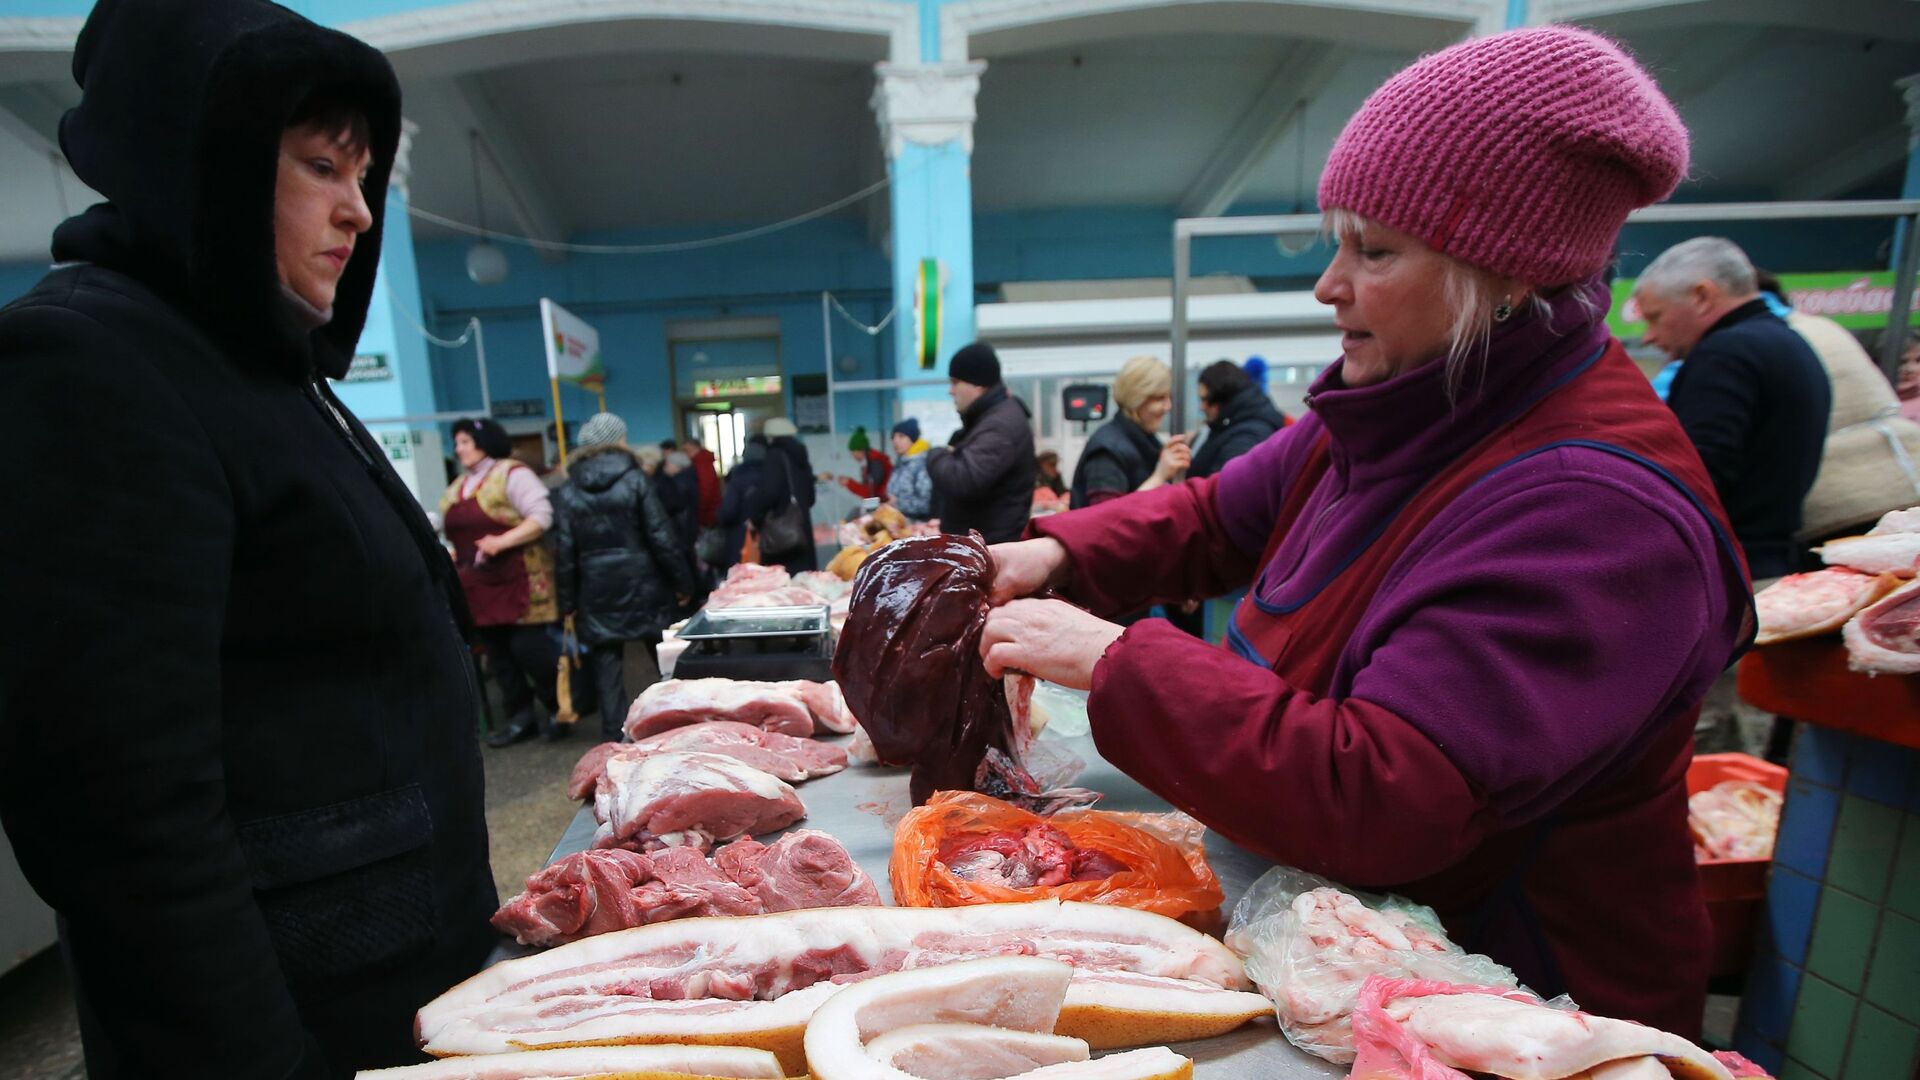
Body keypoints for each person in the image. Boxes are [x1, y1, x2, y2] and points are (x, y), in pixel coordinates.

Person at [977, 27, 1748, 1039]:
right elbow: (1217, 513)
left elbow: (1386, 791)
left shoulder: (1595, 510)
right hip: (1343, 949)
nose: (1327, 286)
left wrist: (1119, 662)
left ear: (1504, 272)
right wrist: (1058, 550)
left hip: (1523, 1010)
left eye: (1373, 251)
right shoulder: (1411, 406)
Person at [0, 1, 497, 1075]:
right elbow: (123, 822)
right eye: (323, 166)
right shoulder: (90, 365)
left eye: (363, 178)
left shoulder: (265, 369)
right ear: (203, 162)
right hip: (287, 1018)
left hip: (397, 979)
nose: (359, 213)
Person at [1636, 238, 1831, 580]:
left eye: (1655, 317)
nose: (1649, 336)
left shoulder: (1725, 354)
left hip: (1732, 568)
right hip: (1774, 561)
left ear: (1701, 296)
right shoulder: (1788, 342)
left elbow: (1698, 472)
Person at [556, 414, 695, 741]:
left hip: (595, 589)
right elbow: (661, 536)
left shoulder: (569, 487)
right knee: (664, 660)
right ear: (617, 441)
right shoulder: (635, 479)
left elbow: (564, 551)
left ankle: (614, 742)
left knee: (608, 670)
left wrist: (566, 601)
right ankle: (674, 729)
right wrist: (682, 583)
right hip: (643, 584)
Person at [445, 416, 562, 747]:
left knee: (529, 649)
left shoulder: (512, 473)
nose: (459, 449)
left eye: (465, 441)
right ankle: (520, 716)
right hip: (479, 584)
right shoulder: (458, 486)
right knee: (498, 654)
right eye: (457, 443)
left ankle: (559, 707)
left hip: (519, 578)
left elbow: (541, 518)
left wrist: (501, 541)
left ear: (484, 441)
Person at [925, 342, 1038, 543]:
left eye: (955, 382)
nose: (951, 391)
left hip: (992, 548)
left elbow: (963, 479)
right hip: (984, 544)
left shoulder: (999, 425)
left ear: (977, 383)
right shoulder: (990, 419)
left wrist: (936, 454)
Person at [1069, 356, 1190, 508]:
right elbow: (1106, 521)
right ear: (1136, 399)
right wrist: (1159, 476)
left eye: (1168, 397)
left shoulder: (1142, 441)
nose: (1168, 406)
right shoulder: (1106, 451)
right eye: (1160, 398)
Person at [1188, 360, 1289, 479]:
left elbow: (1220, 488)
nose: (1202, 407)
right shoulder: (1229, 422)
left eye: (1207, 400)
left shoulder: (1248, 436)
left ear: (1225, 399)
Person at [757, 417, 819, 573]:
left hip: (782, 532)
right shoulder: (801, 456)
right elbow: (810, 497)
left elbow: (769, 494)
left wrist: (757, 518)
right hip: (801, 526)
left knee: (784, 583)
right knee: (804, 582)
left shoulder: (774, 456)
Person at [717, 435, 772, 571]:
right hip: (770, 539)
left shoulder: (738, 477)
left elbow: (728, 511)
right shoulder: (773, 475)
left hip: (740, 538)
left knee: (743, 582)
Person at [886, 418, 935, 520]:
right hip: (898, 523)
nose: (895, 440)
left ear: (913, 439)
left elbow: (927, 504)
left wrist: (897, 503)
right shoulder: (901, 463)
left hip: (917, 527)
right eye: (893, 437)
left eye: (901, 436)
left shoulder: (922, 464)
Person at [826, 427, 893, 499]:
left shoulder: (875, 463)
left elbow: (869, 493)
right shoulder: (870, 461)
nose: (852, 456)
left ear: (861, 450)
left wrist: (849, 483)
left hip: (885, 503)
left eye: (852, 453)